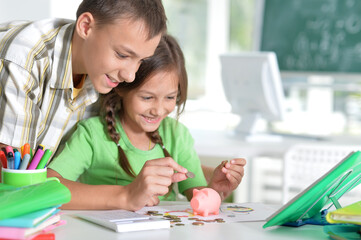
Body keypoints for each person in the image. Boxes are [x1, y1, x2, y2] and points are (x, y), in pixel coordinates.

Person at [47, 34, 246, 211]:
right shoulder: (92, 134)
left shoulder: (176, 135)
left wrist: (214, 191)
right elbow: (50, 186)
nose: (158, 110)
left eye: (170, 98)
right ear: (122, 89)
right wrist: (126, 192)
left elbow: (198, 196)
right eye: (147, 98)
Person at [0, 0, 166, 164]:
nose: (130, 76)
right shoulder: (24, 59)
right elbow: (10, 172)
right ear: (86, 27)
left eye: (141, 60)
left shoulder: (101, 73)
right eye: (122, 55)